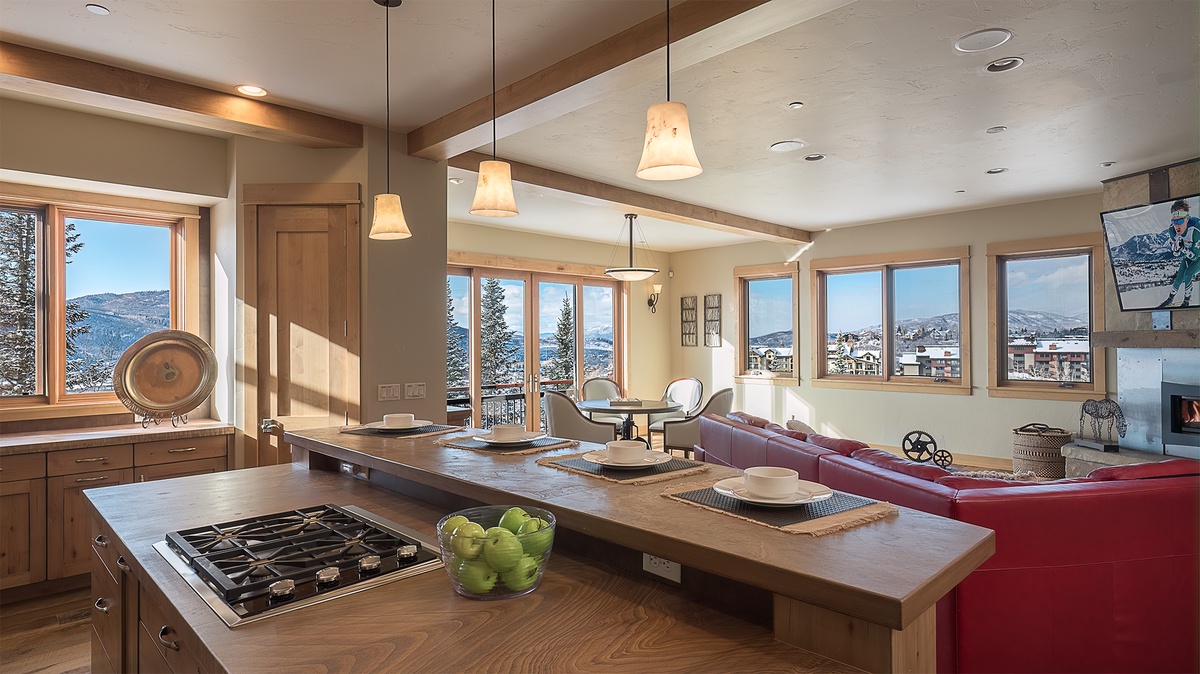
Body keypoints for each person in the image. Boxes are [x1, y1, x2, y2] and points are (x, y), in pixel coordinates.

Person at [1157, 199, 1200, 308]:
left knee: (1188, 274)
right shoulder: (1172, 230)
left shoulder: (1196, 228)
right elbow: (1176, 253)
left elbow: (1195, 257)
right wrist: (1176, 249)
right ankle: (1170, 298)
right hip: (1189, 253)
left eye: (1180, 221)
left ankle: (1186, 301)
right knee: (1179, 277)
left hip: (1198, 255)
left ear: (1187, 218)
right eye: (1174, 221)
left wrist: (1182, 248)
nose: (1176, 225)